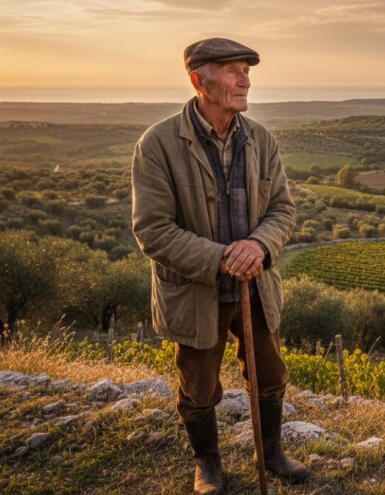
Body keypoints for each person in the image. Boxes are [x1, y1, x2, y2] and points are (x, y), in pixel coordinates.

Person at [131, 37, 309, 494]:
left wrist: (259, 246)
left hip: (254, 285)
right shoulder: (158, 144)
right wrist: (220, 258)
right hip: (195, 291)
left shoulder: (261, 139)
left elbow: (283, 210)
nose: (244, 79)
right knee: (199, 386)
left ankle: (269, 454)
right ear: (199, 80)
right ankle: (207, 465)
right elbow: (152, 229)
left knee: (269, 376)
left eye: (246, 70)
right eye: (232, 70)